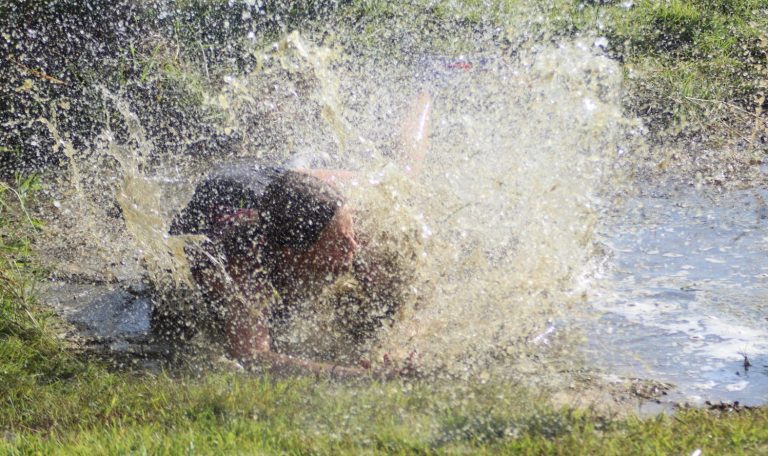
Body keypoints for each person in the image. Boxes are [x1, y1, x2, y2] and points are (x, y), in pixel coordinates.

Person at [156, 92, 432, 378]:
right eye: (340, 243)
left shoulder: (331, 214)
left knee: (401, 183)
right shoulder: (244, 262)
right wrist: (363, 376)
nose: (354, 245)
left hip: (274, 180)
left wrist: (409, 340)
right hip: (230, 196)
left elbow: (418, 276)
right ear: (294, 253)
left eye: (349, 233)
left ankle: (423, 88)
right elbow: (253, 356)